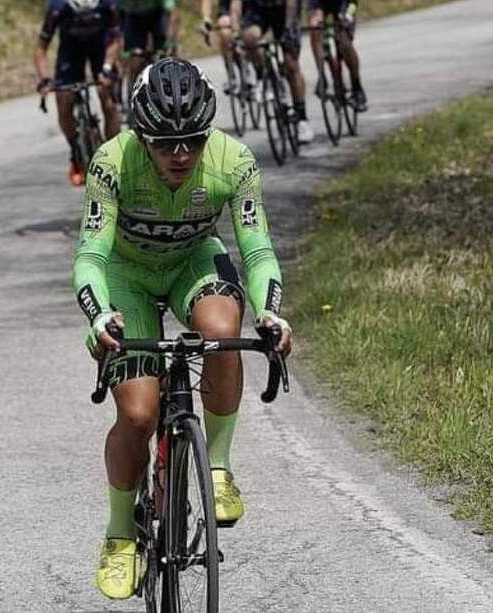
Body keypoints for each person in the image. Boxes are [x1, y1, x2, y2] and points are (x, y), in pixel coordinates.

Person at [73, 58, 293, 599]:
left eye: (192, 140)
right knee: (140, 411)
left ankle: (216, 467)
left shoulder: (234, 160)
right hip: (126, 275)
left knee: (223, 327)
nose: (180, 155)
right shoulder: (111, 161)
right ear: (141, 136)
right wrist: (99, 314)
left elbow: (257, 249)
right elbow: (90, 257)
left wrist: (272, 311)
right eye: (165, 143)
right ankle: (121, 534)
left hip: (192, 261)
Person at [35, 0, 123, 186]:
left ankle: (115, 154)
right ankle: (75, 151)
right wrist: (44, 79)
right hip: (70, 53)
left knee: (107, 100)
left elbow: (116, 39)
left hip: (101, 50)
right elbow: (41, 48)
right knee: (64, 105)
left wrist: (107, 68)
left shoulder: (107, 4)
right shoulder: (58, 7)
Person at [237, 0, 315, 143]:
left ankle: (301, 118)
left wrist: (288, 30)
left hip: (285, 8)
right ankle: (263, 77)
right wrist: (236, 31)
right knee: (249, 39)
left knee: (291, 64)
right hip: (258, 8)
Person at [308, 0, 367, 111]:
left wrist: (348, 16)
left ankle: (357, 88)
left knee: (343, 39)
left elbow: (352, 4)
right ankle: (322, 76)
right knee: (314, 29)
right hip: (320, 3)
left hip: (346, 3)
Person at [118, 0, 181, 93]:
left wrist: (170, 42)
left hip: (157, 14)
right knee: (136, 61)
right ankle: (135, 91)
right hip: (133, 18)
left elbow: (174, 15)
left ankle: (176, 86)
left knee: (167, 56)